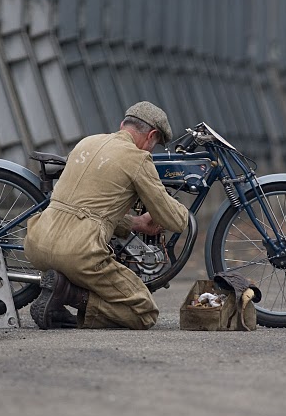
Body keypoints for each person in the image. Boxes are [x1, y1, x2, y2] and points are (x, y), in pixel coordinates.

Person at [24, 101, 189, 330]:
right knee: (144, 312)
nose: (152, 150)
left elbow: (89, 208)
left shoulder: (86, 142)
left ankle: (57, 298)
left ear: (123, 124)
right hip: (78, 253)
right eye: (155, 144)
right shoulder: (137, 158)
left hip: (37, 243)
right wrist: (180, 207)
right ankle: (69, 295)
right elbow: (177, 221)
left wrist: (137, 223)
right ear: (151, 135)